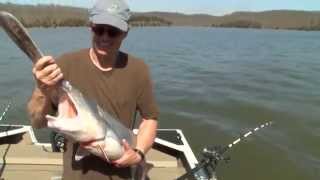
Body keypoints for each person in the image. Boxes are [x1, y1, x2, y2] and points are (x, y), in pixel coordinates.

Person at [27, 0, 159, 179]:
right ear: (91, 27)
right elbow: (37, 122)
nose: (105, 37)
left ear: (125, 33)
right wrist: (41, 89)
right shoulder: (65, 65)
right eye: (99, 29)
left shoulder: (138, 70)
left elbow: (149, 118)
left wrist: (139, 153)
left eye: (113, 32)